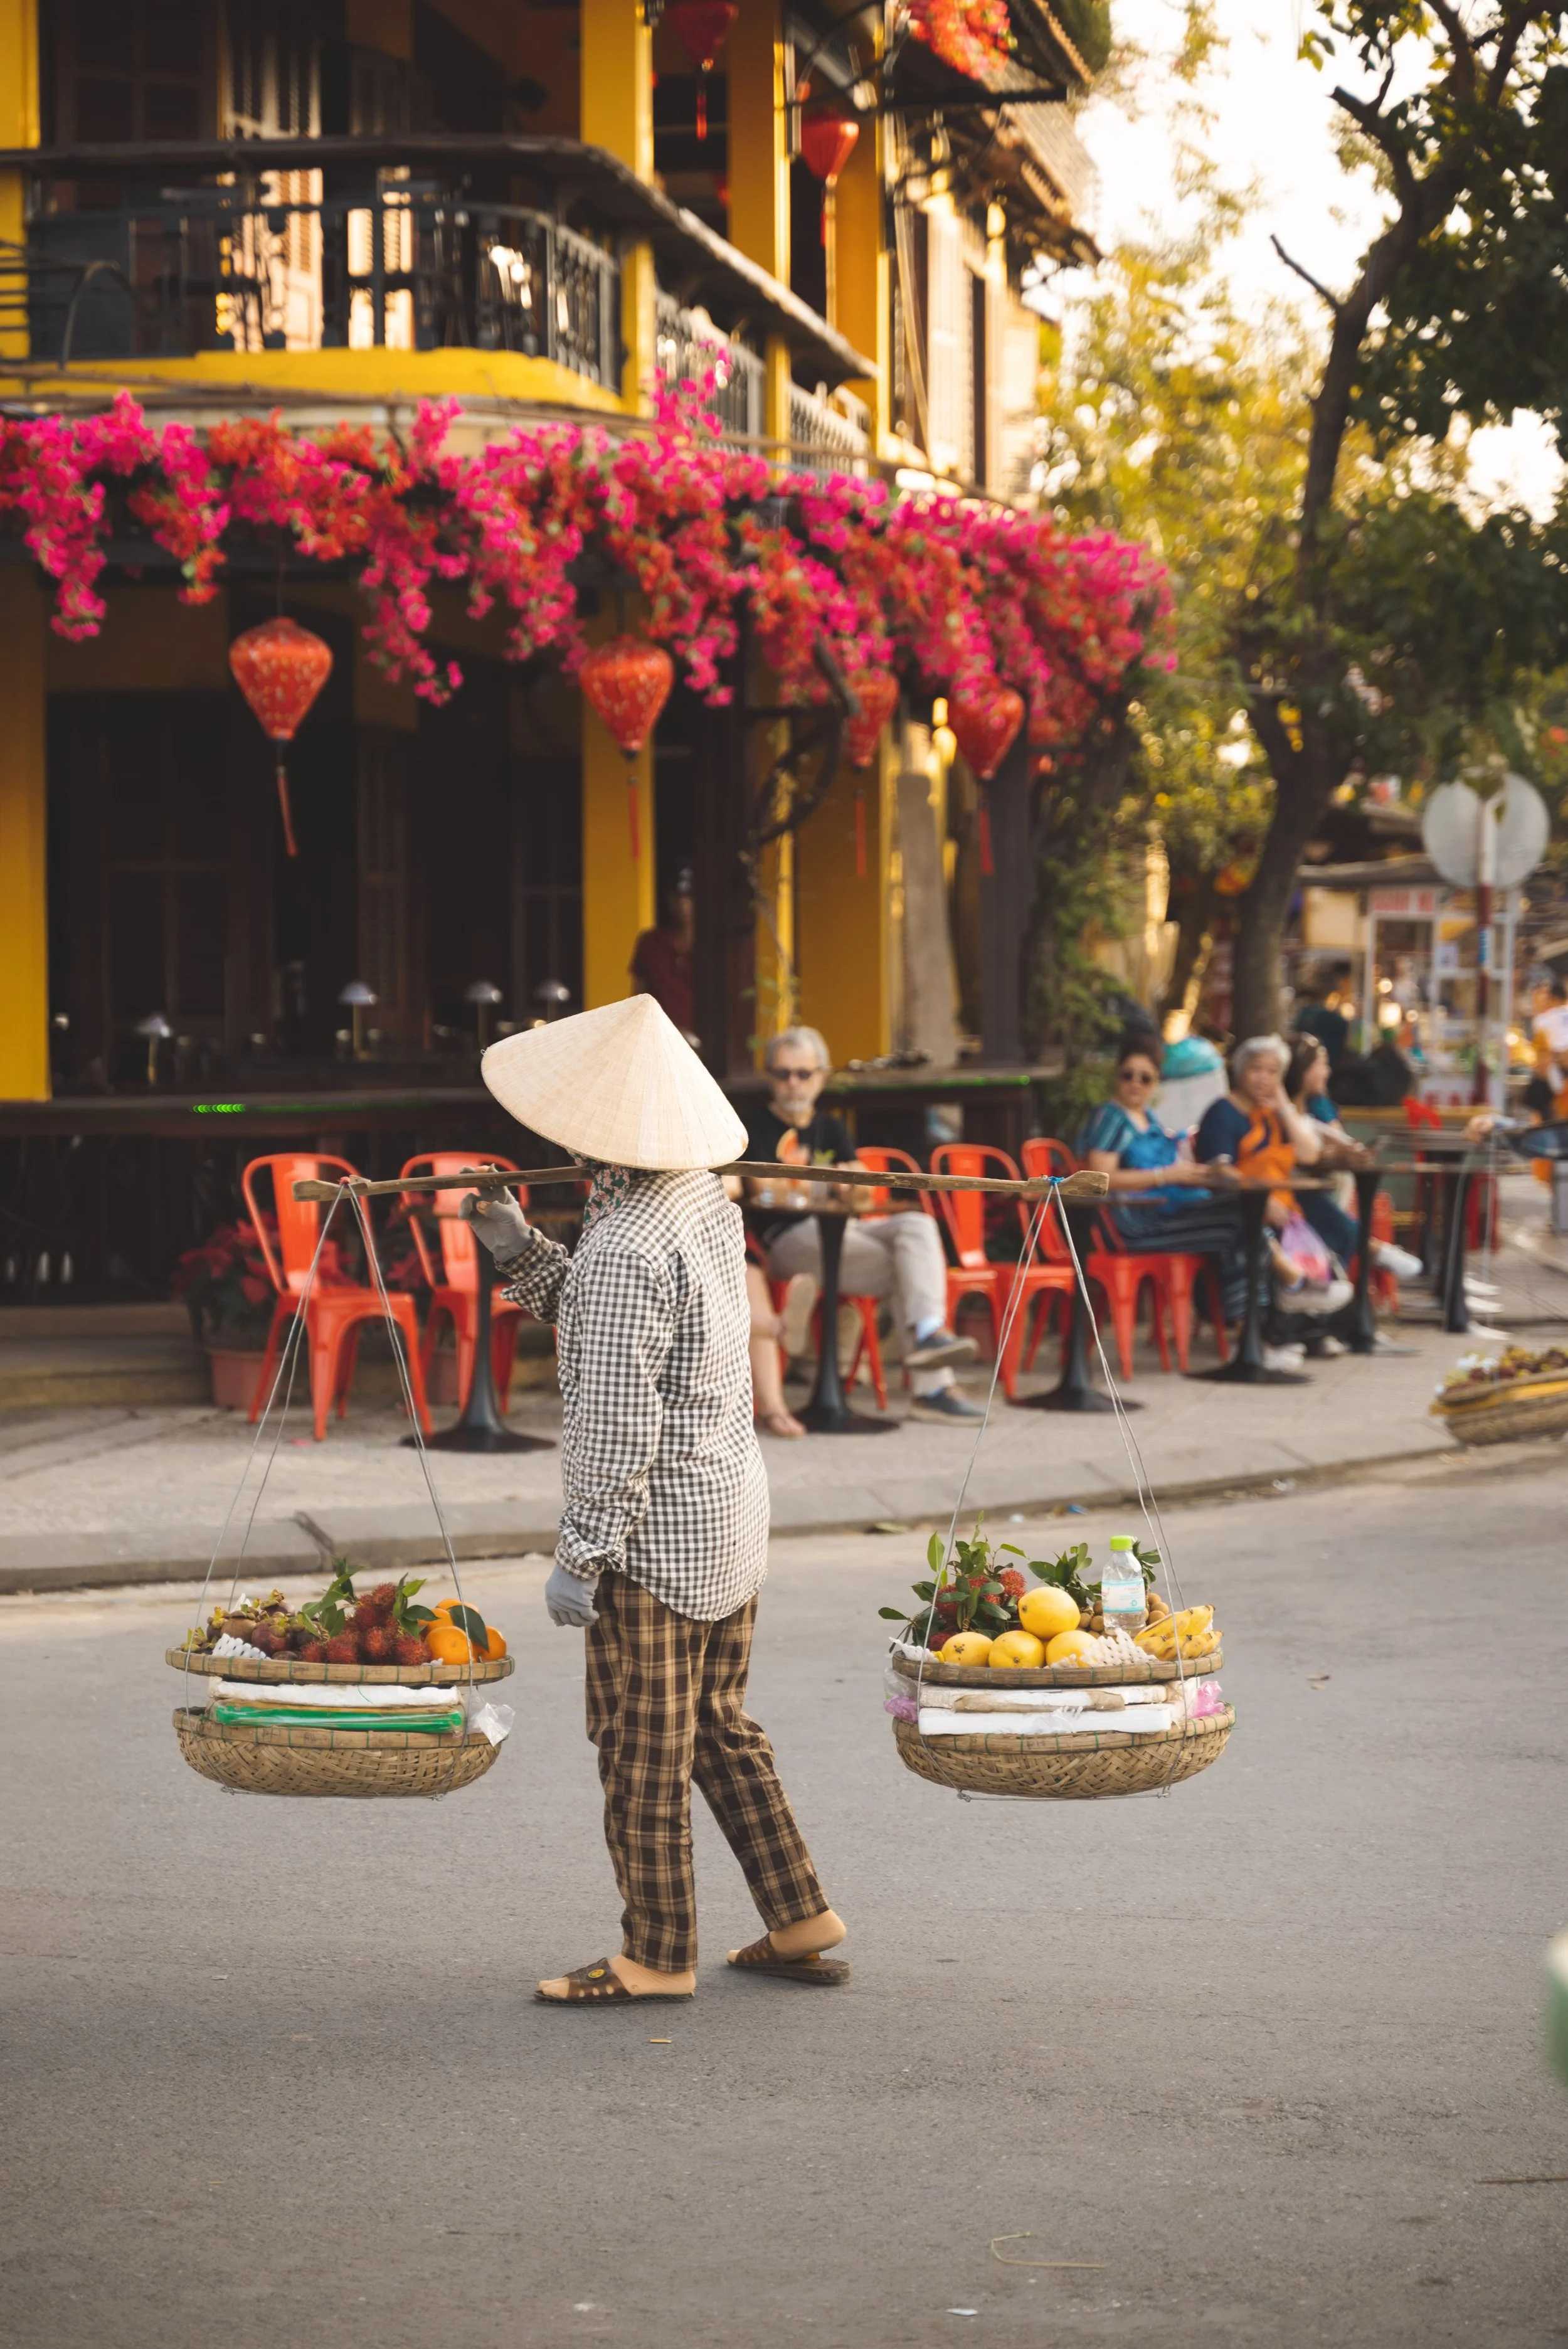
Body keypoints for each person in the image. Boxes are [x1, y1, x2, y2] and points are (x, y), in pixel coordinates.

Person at [462, 992, 847, 2003]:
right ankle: (799, 1909)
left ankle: (657, 1951)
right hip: (726, 1517)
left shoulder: (633, 1241)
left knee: (641, 1751)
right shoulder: (693, 1206)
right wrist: (518, 1247)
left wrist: (579, 1554)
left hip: (657, 1543)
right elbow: (602, 1312)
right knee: (718, 1721)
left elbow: (615, 1422)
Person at [743, 1026, 982, 1421]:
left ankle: (929, 1330)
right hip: (787, 1242)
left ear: (821, 1076)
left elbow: (863, 1193)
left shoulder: (832, 1128)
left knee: (918, 1226)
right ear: (770, 1078)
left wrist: (813, 1182)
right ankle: (933, 1390)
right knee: (912, 1268)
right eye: (783, 1074)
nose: (793, 1083)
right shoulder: (753, 1125)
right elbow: (763, 1187)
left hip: (845, 1232)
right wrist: (830, 1183)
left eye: (803, 1074)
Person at [1078, 1034, 1249, 1322]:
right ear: (1116, 1076)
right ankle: (1251, 1319)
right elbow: (1099, 1178)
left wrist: (1196, 1175)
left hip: (1161, 1215)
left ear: (1156, 1082)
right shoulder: (1111, 1117)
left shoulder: (1148, 1117)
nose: (1135, 1083)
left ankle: (1253, 1319)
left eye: (1145, 1078)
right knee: (1240, 1220)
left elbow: (1166, 1172)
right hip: (1133, 1226)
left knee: (1245, 1214)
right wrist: (1165, 1175)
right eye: (1128, 1075)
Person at [1194, 1033, 1352, 1341]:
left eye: (1273, 1072)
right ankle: (1281, 1325)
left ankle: (1311, 1325)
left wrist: (1282, 1106)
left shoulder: (1271, 1114)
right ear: (1239, 1070)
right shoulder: (1223, 1113)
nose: (1263, 1078)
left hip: (1282, 1205)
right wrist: (1262, 1201)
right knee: (1268, 1229)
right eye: (1257, 1069)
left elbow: (1309, 1154)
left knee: (1335, 1227)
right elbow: (1220, 1173)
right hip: (1235, 1206)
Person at [1283, 1031, 1423, 1283]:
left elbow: (1340, 1141)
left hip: (1324, 1193)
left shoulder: (1315, 1106)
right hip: (1288, 1198)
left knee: (1328, 1213)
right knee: (1322, 1214)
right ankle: (1370, 1251)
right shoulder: (1283, 1112)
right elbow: (1307, 1153)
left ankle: (1360, 1261)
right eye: (1321, 1065)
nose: (1328, 1072)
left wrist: (1345, 1150)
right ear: (1300, 1070)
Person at [630, 866, 696, 1040]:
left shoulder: (710, 946)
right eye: (677, 896)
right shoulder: (650, 943)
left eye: (688, 896)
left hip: (703, 1043)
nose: (683, 903)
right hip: (658, 1038)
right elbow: (637, 998)